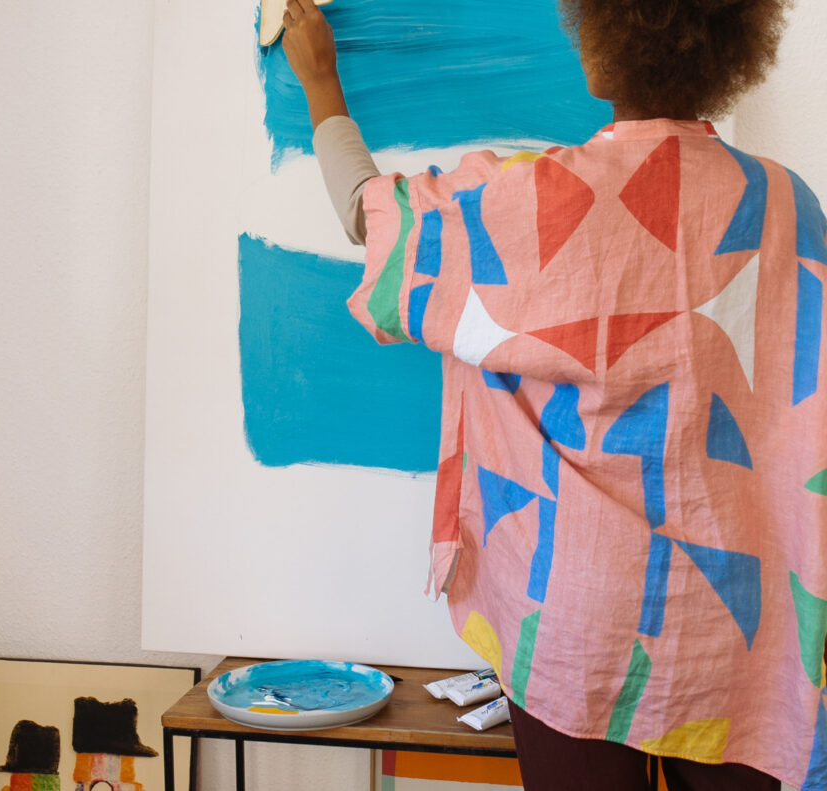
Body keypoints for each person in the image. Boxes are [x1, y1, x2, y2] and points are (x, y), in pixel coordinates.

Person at [280, 1, 827, 789]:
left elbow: (376, 222)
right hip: (739, 636)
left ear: (599, 42)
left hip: (577, 628)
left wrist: (322, 80)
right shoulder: (789, 206)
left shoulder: (523, 202)